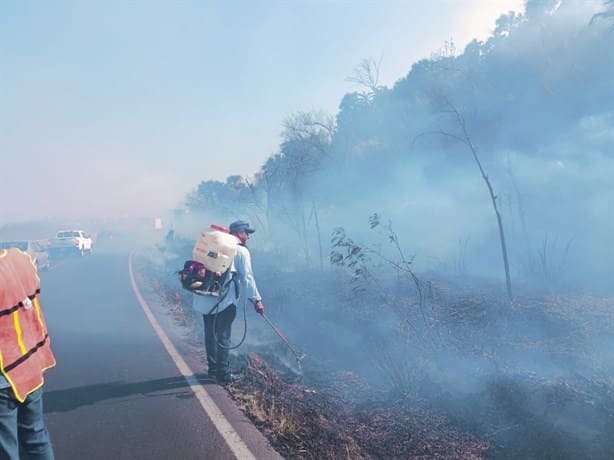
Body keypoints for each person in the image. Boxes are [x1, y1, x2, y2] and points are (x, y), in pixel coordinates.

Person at [0, 247, 56, 460]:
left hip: (5, 375)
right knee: (35, 437)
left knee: (6, 450)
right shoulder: (21, 259)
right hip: (31, 366)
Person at [192, 220, 264, 385]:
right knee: (223, 336)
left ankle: (212, 369)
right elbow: (247, 277)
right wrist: (256, 300)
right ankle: (223, 374)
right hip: (225, 301)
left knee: (210, 335)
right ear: (239, 232)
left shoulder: (214, 245)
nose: (248, 237)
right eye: (247, 233)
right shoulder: (240, 251)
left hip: (205, 297)